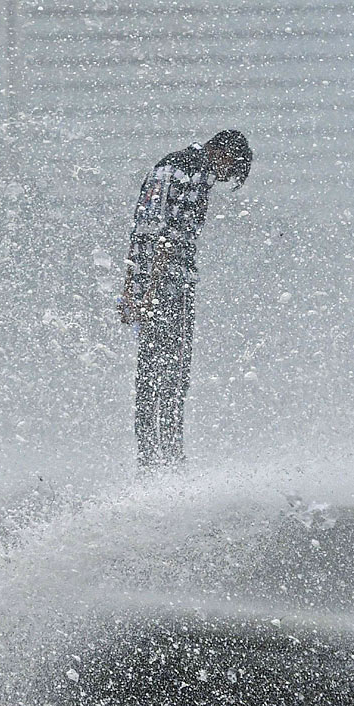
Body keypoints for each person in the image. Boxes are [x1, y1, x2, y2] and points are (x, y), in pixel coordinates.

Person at [118, 130, 252, 470]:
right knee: (173, 375)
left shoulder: (164, 166)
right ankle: (171, 456)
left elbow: (141, 230)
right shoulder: (193, 173)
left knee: (148, 376)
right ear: (221, 153)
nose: (224, 178)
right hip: (170, 287)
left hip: (150, 282)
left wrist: (131, 290)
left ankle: (148, 457)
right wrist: (151, 291)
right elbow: (169, 237)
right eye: (229, 170)